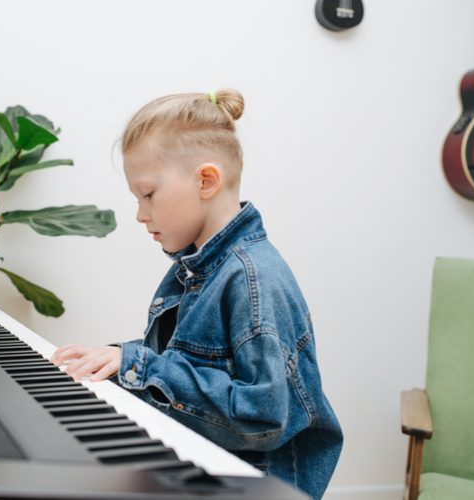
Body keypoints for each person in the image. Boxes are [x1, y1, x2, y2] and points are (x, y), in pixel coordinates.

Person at [50, 89, 343, 499]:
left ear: (206, 181)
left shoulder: (254, 280)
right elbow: (190, 365)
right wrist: (117, 360)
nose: (139, 214)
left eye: (148, 194)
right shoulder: (194, 268)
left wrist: (140, 366)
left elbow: (265, 417)